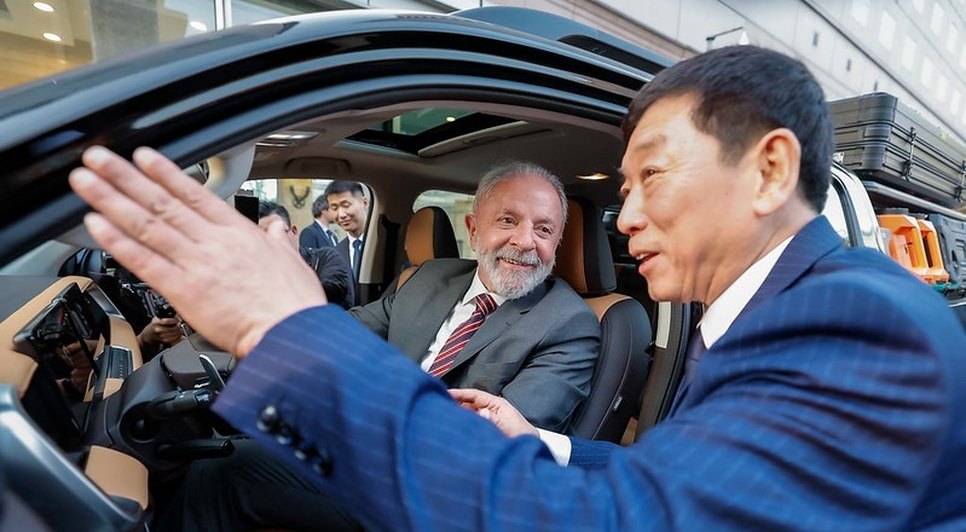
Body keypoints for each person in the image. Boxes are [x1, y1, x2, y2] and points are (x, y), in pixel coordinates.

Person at [69, 45, 966, 530]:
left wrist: (284, 326)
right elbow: (693, 486)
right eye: (622, 190)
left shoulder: (855, 323)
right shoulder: (763, 314)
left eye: (653, 176)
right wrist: (556, 446)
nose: (625, 218)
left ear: (769, 170)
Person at [155, 163, 600, 531]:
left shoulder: (569, 323)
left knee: (223, 473)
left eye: (544, 229)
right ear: (473, 228)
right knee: (215, 446)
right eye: (507, 220)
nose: (525, 241)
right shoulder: (429, 278)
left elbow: (490, 444)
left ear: (558, 243)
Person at [258, 200, 353, 309]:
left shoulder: (324, 258)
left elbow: (333, 291)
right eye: (261, 237)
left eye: (276, 232)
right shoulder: (258, 272)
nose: (270, 241)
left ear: (294, 231)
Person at [325, 180, 368, 305]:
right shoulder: (335, 253)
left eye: (346, 205)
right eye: (334, 208)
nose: (341, 214)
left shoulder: (384, 245)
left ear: (365, 203)